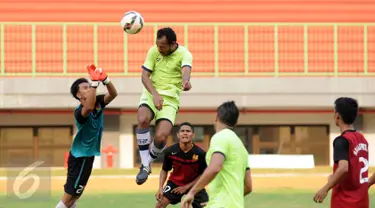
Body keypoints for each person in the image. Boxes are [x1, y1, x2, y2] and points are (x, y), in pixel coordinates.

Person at [135, 27, 193, 185]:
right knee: (142, 119)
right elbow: (144, 76)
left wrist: (185, 81)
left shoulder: (184, 54)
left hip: (170, 99)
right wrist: (154, 94)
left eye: (162, 46)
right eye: (157, 45)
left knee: (161, 137)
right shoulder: (153, 51)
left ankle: (147, 164)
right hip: (151, 93)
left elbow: (186, 70)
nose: (159, 49)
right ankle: (144, 164)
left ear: (173, 44)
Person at [56, 64, 118, 208]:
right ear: (79, 95)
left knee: (75, 196)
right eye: (85, 88)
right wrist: (95, 84)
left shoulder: (99, 103)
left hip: (88, 156)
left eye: (90, 86)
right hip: (80, 157)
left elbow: (113, 94)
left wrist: (106, 80)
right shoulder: (80, 112)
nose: (89, 88)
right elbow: (88, 107)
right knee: (69, 197)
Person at [181, 101, 253, 208]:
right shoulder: (240, 146)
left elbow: (215, 167)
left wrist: (192, 192)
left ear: (217, 117)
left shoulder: (220, 137)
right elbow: (248, 186)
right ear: (235, 122)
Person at [313, 97, 369, 208]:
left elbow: (344, 168)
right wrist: (367, 184)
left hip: (345, 203)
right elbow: (353, 170)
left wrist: (325, 188)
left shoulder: (342, 140)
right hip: (362, 202)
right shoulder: (362, 139)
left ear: (337, 115)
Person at [155, 122, 208, 208]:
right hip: (175, 183)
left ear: (193, 135)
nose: (185, 133)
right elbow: (164, 170)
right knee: (159, 205)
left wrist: (186, 187)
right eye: (182, 131)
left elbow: (203, 175)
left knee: (206, 206)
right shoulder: (170, 151)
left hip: (194, 184)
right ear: (178, 135)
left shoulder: (200, 153)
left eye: (188, 131)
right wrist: (160, 188)